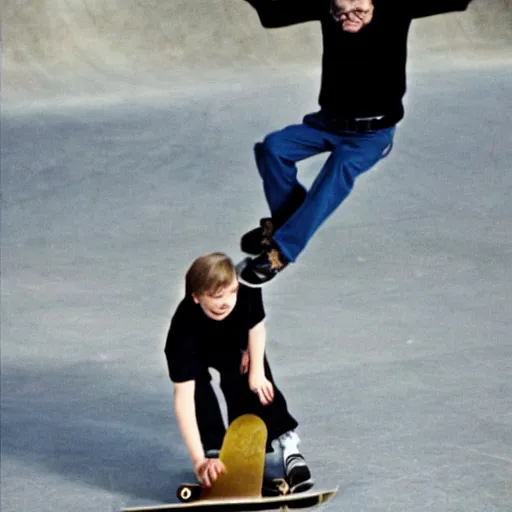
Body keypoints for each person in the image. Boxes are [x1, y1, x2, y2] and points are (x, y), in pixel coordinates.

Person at [238, 0, 473, 287]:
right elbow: (275, 11)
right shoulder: (327, 8)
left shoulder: (398, 8)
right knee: (273, 148)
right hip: (328, 123)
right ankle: (291, 219)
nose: (349, 20)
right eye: (341, 13)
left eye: (359, 12)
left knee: (335, 174)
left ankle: (283, 250)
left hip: (371, 133)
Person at [164, 252, 313, 493]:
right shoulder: (181, 335)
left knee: (255, 383)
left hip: (236, 344)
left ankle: (288, 446)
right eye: (216, 296)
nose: (226, 302)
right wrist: (198, 460)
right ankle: (214, 450)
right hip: (199, 349)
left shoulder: (248, 286)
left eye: (232, 292)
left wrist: (256, 372)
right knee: (198, 389)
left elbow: (256, 326)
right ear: (195, 297)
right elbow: (183, 401)